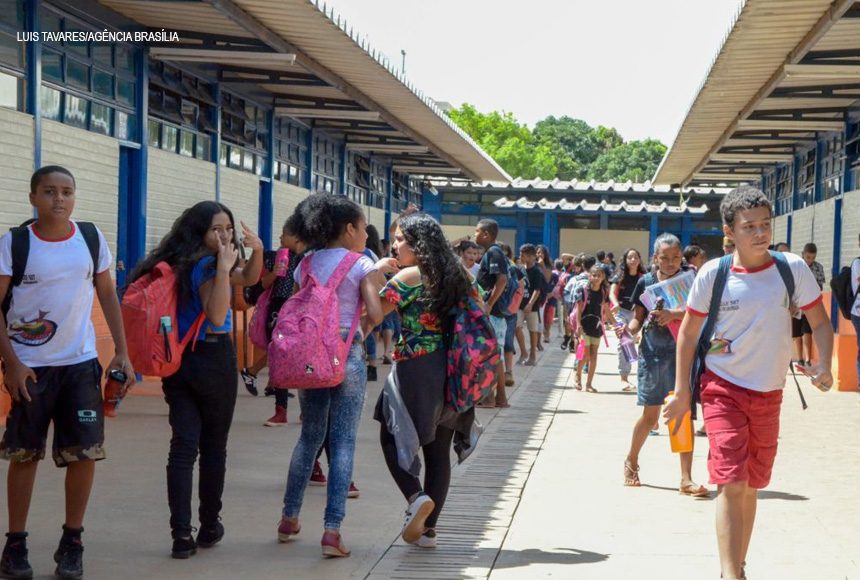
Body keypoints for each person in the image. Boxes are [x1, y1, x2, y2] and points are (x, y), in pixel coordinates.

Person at [665, 186, 833, 580]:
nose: (760, 234)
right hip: (722, 387)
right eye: (749, 227)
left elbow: (821, 323)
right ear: (729, 231)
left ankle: (738, 565)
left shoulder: (791, 269)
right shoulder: (714, 274)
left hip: (769, 393)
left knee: (752, 483)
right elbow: (688, 334)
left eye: (765, 225)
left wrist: (824, 363)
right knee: (731, 480)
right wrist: (683, 392)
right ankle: (730, 573)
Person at [0, 166, 134, 580]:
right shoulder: (15, 244)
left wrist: (122, 353)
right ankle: (15, 544)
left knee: (84, 454)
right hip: (31, 370)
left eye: (66, 191)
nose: (59, 198)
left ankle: (72, 542)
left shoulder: (89, 239)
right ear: (32, 198)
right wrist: (13, 363)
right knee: (25, 455)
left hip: (79, 366)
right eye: (49, 191)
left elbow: (107, 293)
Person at [128, 200, 263, 558]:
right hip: (213, 359)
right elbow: (217, 313)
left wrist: (257, 251)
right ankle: (208, 524)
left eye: (228, 229)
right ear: (200, 232)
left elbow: (249, 279)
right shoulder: (208, 264)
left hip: (180, 361)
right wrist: (224, 268)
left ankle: (180, 534)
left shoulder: (181, 260)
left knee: (183, 446)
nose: (224, 236)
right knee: (213, 447)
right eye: (216, 229)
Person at [276, 193, 391, 558]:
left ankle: (289, 518)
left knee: (309, 437)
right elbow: (375, 311)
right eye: (363, 228)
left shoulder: (306, 263)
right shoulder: (361, 263)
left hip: (310, 358)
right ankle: (332, 530)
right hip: (346, 356)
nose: (366, 235)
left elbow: (299, 310)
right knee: (343, 442)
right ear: (349, 229)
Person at [375, 212, 477, 549]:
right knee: (438, 450)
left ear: (418, 244)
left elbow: (373, 313)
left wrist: (374, 273)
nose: (395, 246)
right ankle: (428, 531)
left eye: (400, 239)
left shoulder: (409, 276)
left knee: (390, 435)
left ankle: (415, 497)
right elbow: (480, 307)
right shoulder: (459, 275)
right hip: (455, 368)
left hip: (417, 366)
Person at [620, 233, 708, 498]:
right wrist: (628, 330)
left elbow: (700, 312)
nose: (671, 262)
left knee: (683, 415)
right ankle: (631, 459)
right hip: (653, 355)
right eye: (665, 258)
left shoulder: (692, 279)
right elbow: (638, 318)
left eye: (675, 257)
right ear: (655, 258)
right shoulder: (646, 282)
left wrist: (673, 314)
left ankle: (686, 478)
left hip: (683, 355)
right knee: (651, 417)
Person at [240, 214, 306, 426]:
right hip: (278, 309)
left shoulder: (308, 259)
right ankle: (281, 410)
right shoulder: (278, 256)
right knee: (279, 356)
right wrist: (275, 273)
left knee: (304, 360)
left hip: (300, 310)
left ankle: (307, 409)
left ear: (297, 238)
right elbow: (260, 286)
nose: (280, 237)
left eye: (284, 234)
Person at [474, 219, 510, 408]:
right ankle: (499, 398)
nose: (475, 234)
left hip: (493, 313)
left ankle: (490, 397)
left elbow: (502, 280)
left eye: (477, 231)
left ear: (486, 234)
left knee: (491, 355)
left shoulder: (494, 253)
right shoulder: (492, 253)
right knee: (495, 354)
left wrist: (488, 304)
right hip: (495, 313)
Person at [610, 248, 645, 391]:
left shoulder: (644, 277)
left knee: (631, 342)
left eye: (635, 257)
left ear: (639, 259)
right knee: (624, 341)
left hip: (636, 314)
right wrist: (615, 304)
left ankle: (628, 375)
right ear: (625, 260)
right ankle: (623, 378)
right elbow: (612, 292)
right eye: (630, 257)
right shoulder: (620, 276)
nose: (633, 260)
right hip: (621, 312)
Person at [575, 265, 612, 392]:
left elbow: (606, 309)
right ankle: (578, 376)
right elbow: (579, 310)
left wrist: (615, 324)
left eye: (599, 276)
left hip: (596, 327)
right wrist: (578, 325)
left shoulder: (604, 292)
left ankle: (589, 384)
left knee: (594, 356)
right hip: (584, 326)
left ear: (603, 277)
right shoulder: (583, 290)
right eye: (594, 275)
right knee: (584, 354)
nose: (596, 278)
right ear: (589, 276)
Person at [790, 243, 826, 371]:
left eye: (813, 258)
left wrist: (811, 287)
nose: (810, 260)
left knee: (807, 332)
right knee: (796, 333)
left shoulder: (818, 268)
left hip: (810, 305)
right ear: (803, 254)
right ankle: (799, 358)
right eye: (808, 257)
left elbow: (820, 286)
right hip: (796, 304)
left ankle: (807, 359)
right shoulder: (796, 266)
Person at [499, 244, 521, 388]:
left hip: (507, 312)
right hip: (497, 311)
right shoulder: (487, 265)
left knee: (507, 343)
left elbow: (521, 286)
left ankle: (508, 373)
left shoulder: (512, 267)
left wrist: (513, 308)